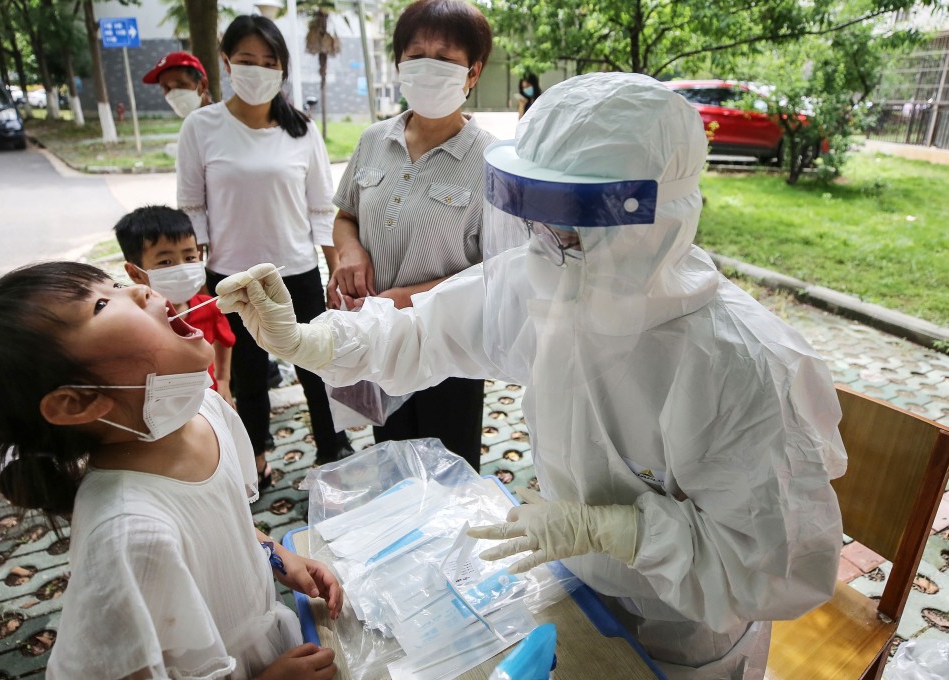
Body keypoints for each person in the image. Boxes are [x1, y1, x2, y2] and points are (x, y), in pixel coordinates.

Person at [214, 72, 848, 679]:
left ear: (647, 218)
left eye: (569, 217)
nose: (543, 237)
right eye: (534, 209)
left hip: (685, 631)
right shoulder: (553, 274)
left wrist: (619, 529)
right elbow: (423, 332)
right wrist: (308, 339)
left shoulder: (737, 363)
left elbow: (775, 569)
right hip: (578, 582)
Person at [0, 262, 342, 679]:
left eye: (115, 284)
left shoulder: (206, 411)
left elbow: (224, 519)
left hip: (269, 639)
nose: (141, 291)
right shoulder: (128, 532)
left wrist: (277, 555)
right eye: (101, 304)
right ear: (76, 402)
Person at [177, 14, 351, 474]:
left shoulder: (302, 130)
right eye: (247, 60)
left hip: (296, 271)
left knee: (316, 365)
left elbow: (320, 209)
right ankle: (255, 460)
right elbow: (192, 208)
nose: (258, 70)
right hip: (230, 277)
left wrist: (334, 268)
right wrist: (196, 273)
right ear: (227, 62)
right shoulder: (201, 126)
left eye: (269, 62)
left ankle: (333, 451)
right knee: (249, 377)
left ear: (282, 68)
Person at [325, 0, 496, 470]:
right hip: (380, 339)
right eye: (416, 55)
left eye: (444, 57)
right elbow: (346, 215)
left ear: (473, 71)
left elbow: (499, 269)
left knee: (450, 472)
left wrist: (410, 298)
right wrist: (349, 250)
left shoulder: (492, 160)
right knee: (394, 462)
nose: (428, 67)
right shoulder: (372, 140)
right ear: (399, 64)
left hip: (451, 347)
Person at [114, 204, 236, 408]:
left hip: (208, 401)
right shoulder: (133, 321)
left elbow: (225, 341)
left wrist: (223, 381)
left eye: (189, 258)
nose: (183, 269)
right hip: (162, 411)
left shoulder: (208, 307)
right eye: (165, 262)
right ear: (135, 273)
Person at [142, 51, 212, 119]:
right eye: (166, 88)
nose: (173, 94)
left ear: (203, 85)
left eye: (181, 85)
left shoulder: (217, 122)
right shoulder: (193, 123)